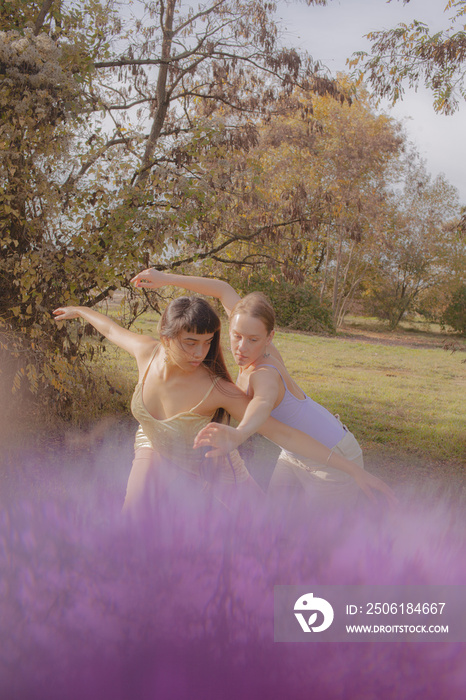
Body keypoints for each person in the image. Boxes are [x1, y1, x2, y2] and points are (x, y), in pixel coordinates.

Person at [53, 296, 394, 515]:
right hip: (154, 444)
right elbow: (111, 329)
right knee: (132, 516)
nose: (200, 354)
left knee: (260, 527)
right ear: (166, 336)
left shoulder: (216, 389)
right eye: (190, 343)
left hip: (210, 464)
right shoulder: (146, 352)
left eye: (206, 343)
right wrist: (79, 311)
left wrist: (353, 470)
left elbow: (283, 435)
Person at [130, 269, 390, 510]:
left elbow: (261, 405)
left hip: (333, 455)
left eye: (253, 340)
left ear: (269, 337)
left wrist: (239, 433)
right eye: (237, 336)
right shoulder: (248, 326)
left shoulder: (264, 373)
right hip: (294, 450)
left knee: (315, 538)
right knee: (271, 519)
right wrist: (165, 278)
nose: (242, 347)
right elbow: (222, 289)